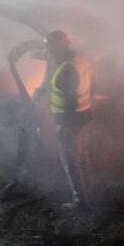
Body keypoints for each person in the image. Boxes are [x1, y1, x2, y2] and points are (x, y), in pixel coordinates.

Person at [46, 30, 93, 205]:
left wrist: (63, 124)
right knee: (81, 156)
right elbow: (91, 86)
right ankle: (86, 192)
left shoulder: (66, 70)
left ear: (59, 47)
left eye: (51, 49)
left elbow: (70, 100)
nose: (49, 53)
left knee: (71, 162)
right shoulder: (81, 61)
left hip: (70, 121)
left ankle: (80, 202)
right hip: (85, 115)